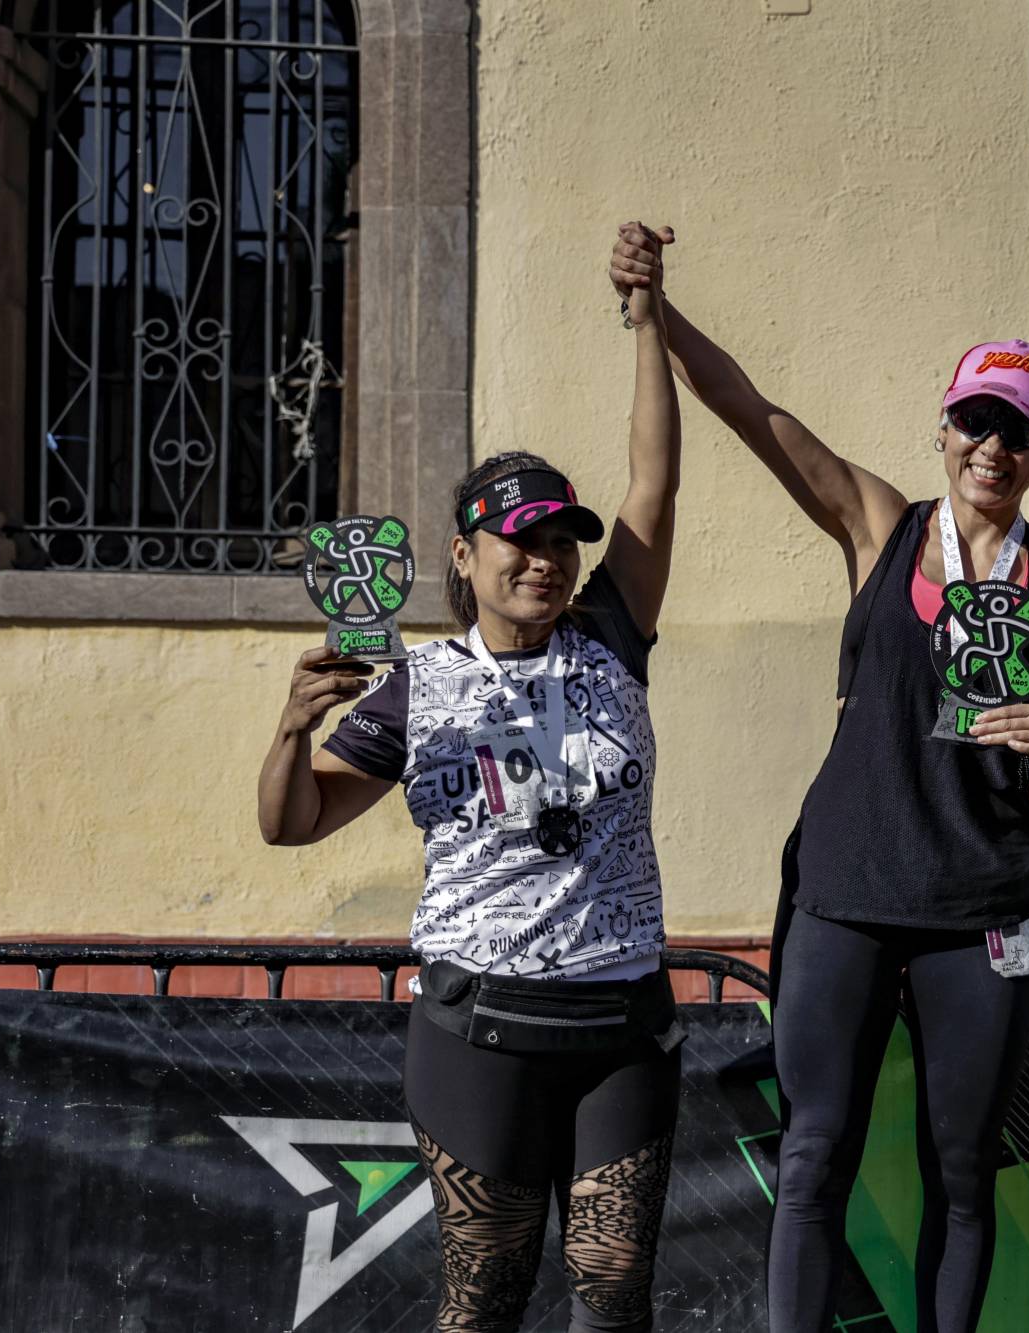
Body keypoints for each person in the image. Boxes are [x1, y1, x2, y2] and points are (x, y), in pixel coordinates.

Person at [609, 228, 1029, 1332]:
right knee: (814, 1153)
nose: (992, 444)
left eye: (1018, 429)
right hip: (844, 891)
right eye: (976, 419)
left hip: (980, 911)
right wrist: (656, 308)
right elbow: (753, 413)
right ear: (943, 427)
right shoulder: (884, 526)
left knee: (964, 1171)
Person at [257, 222, 685, 1333]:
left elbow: (653, 479)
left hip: (620, 1021)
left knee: (611, 1285)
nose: (544, 558)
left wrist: (646, 319)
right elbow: (293, 823)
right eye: (519, 538)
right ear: (464, 553)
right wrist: (289, 732)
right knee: (483, 1293)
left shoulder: (613, 632)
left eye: (560, 540)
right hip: (477, 1023)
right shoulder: (416, 684)